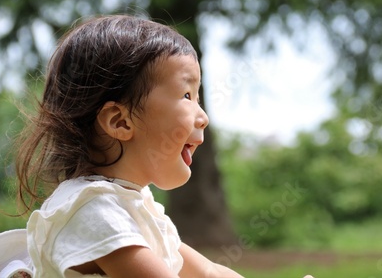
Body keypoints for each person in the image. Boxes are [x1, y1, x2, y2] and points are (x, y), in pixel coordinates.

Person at [15, 15, 244, 277]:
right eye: (187, 95)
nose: (203, 117)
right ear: (120, 121)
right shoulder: (93, 210)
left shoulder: (136, 204)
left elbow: (210, 273)